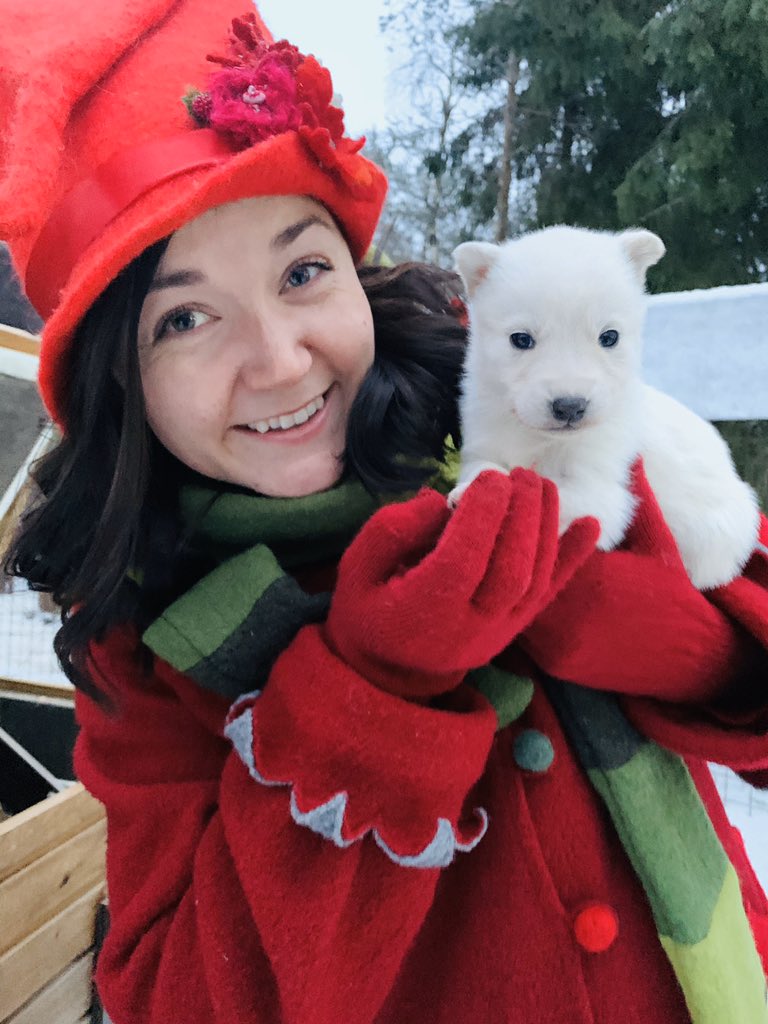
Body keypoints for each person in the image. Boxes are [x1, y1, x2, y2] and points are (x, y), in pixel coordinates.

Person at [2, 3, 768, 1023]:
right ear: (115, 379)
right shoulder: (145, 646)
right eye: (184, 318)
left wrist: (672, 641)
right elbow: (177, 996)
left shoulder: (519, 418)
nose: (279, 360)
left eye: (303, 270)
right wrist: (376, 694)